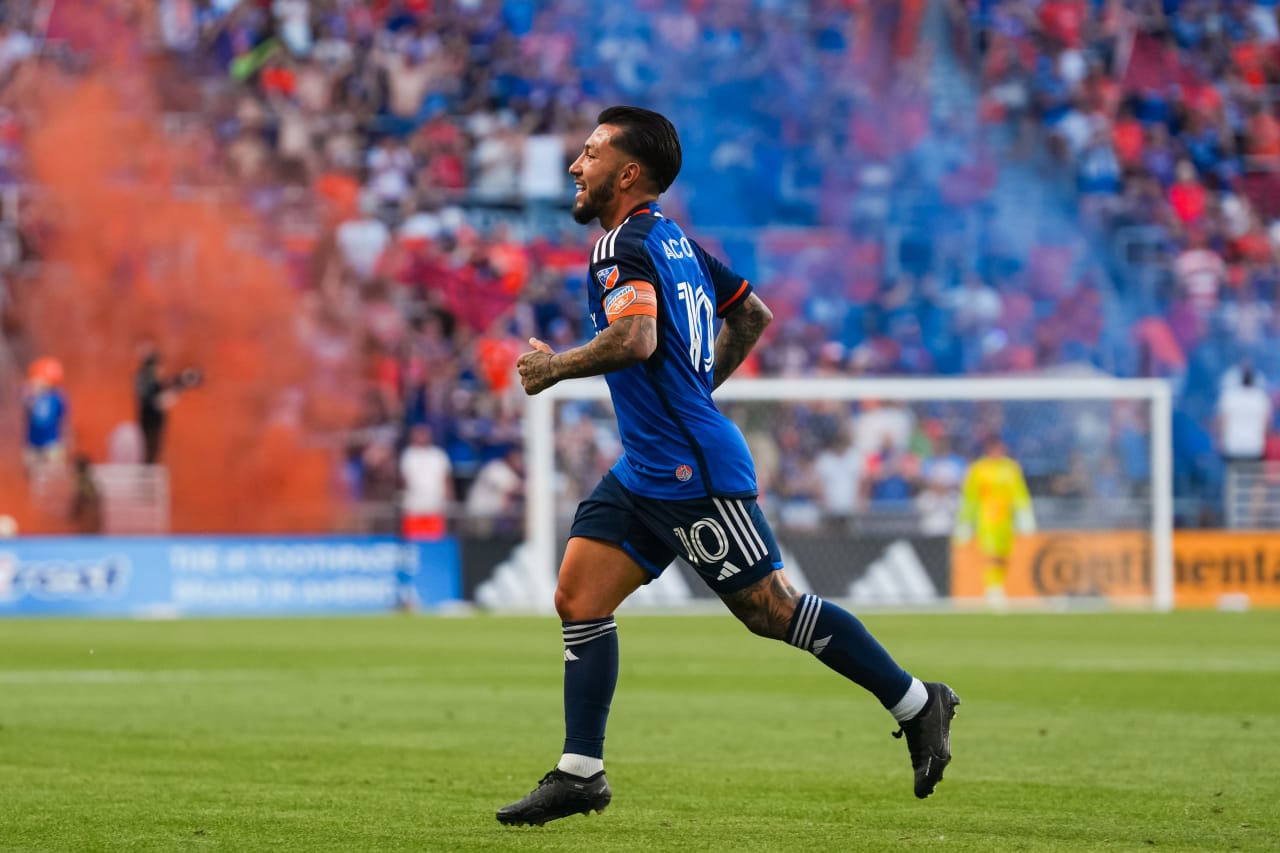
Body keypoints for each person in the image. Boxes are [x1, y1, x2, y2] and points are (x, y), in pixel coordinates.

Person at [496, 106, 959, 827]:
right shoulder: (674, 240)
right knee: (579, 598)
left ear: (627, 173)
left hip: (689, 469)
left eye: (589, 154)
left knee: (769, 608)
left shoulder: (620, 245)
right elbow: (751, 314)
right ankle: (581, 772)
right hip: (649, 466)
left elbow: (638, 336)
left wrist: (555, 366)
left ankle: (918, 701)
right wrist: (692, 388)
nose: (573, 167)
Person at [953, 434, 1037, 607]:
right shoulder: (978, 469)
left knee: (1003, 555)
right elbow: (970, 498)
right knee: (990, 554)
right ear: (988, 449)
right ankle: (993, 590)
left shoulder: (1011, 468)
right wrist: (965, 521)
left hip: (1006, 519)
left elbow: (1019, 493)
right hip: (986, 519)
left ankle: (997, 587)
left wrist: (1024, 514)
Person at [134, 343, 202, 465]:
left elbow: (166, 386)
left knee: (152, 456)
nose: (161, 370)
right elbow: (158, 401)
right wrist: (178, 388)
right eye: (158, 367)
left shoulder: (152, 381)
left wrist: (182, 381)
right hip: (149, 425)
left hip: (153, 425)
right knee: (148, 456)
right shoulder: (144, 380)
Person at [398, 424, 453, 541]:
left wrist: (448, 499)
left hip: (435, 507)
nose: (421, 437)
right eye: (418, 434)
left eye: (424, 434)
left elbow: (447, 479)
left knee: (435, 540)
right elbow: (404, 480)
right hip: (414, 508)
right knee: (414, 540)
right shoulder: (408, 455)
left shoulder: (439, 455)